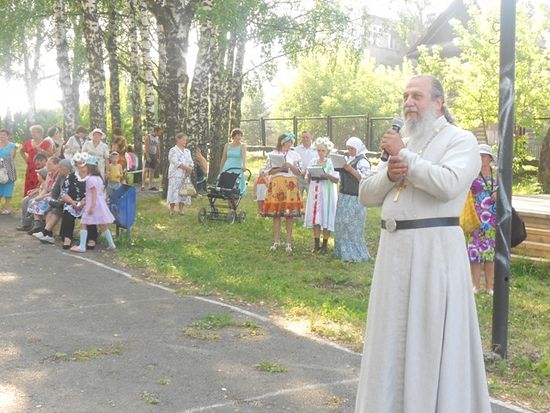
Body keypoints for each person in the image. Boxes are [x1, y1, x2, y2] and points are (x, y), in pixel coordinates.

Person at [355, 75, 491, 413]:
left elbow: (448, 183)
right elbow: (365, 195)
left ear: (439, 102)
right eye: (405, 96)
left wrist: (407, 160)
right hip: (393, 251)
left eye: (417, 95)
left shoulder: (461, 141)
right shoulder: (403, 143)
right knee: (389, 339)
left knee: (428, 340)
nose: (409, 102)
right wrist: (389, 172)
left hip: (434, 253)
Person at [262, 132, 303, 252]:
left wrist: (290, 165)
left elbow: (300, 172)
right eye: (288, 142)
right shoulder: (273, 154)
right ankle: (276, 241)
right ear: (282, 142)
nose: (289, 144)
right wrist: (280, 168)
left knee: (289, 215)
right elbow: (268, 171)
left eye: (291, 142)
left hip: (290, 185)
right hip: (277, 184)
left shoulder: (295, 154)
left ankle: (288, 242)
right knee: (276, 215)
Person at [333, 137, 371, 262]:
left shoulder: (362, 161)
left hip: (355, 198)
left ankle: (354, 254)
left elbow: (364, 180)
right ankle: (342, 252)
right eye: (348, 148)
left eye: (352, 148)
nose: (349, 151)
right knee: (342, 225)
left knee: (352, 227)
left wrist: (350, 169)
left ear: (358, 148)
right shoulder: (350, 159)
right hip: (344, 196)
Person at [467, 143, 497, 295]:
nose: (480, 158)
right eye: (478, 155)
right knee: (475, 254)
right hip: (475, 219)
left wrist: (499, 196)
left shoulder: (497, 175)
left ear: (490, 158)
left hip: (492, 221)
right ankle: (476, 285)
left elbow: (506, 196)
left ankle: (490, 286)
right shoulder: (471, 174)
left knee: (490, 254)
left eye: (483, 156)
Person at [70, 156, 116, 252]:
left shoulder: (90, 179)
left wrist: (91, 206)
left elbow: (94, 194)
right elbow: (98, 192)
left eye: (86, 166)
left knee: (83, 223)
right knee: (103, 225)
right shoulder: (99, 178)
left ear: (89, 167)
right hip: (100, 204)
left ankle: (82, 246)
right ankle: (112, 245)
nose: (84, 168)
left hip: (93, 205)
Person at [303, 137, 339, 254]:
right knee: (316, 217)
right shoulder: (313, 161)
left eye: (323, 151)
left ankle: (325, 244)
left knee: (326, 215)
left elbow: (336, 179)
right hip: (315, 192)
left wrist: (327, 175)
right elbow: (308, 179)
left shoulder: (331, 162)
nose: (320, 153)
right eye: (318, 150)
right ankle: (316, 243)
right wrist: (309, 175)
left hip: (327, 193)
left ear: (327, 151)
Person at [59, 152, 98, 250]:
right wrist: (72, 202)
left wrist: (83, 202)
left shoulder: (92, 177)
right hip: (72, 202)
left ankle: (91, 238)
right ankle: (67, 238)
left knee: (89, 212)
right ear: (75, 165)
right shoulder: (71, 176)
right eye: (78, 163)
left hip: (87, 202)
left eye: (83, 163)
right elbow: (63, 192)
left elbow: (95, 193)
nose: (81, 166)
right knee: (68, 212)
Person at [32, 159, 74, 244]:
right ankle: (48, 234)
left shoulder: (73, 177)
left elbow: (73, 193)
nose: (59, 170)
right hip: (62, 199)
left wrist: (61, 200)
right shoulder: (61, 175)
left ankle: (46, 233)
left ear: (66, 169)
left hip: (72, 200)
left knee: (57, 208)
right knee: (51, 206)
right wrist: (54, 199)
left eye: (60, 168)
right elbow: (55, 190)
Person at [26, 156, 61, 235]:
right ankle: (37, 224)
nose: (47, 166)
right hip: (48, 193)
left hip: (55, 195)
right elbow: (46, 188)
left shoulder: (59, 175)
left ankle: (42, 228)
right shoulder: (49, 173)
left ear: (57, 165)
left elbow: (55, 191)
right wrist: (39, 197)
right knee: (34, 200)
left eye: (49, 164)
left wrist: (42, 197)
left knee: (43, 202)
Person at [15, 154, 48, 231]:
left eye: (38, 164)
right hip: (41, 190)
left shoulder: (47, 170)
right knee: (25, 200)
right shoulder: (40, 170)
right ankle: (26, 224)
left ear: (44, 161)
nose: (37, 166)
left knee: (31, 201)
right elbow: (40, 185)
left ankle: (34, 224)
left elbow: (46, 186)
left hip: (45, 193)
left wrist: (37, 192)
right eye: (36, 164)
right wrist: (34, 190)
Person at [20, 125, 55, 196]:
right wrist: (26, 160)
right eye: (32, 132)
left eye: (35, 132)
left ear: (40, 133)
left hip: (42, 168)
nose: (33, 134)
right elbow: (21, 151)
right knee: (29, 184)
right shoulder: (28, 142)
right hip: (30, 168)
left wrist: (41, 150)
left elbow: (50, 154)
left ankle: (38, 200)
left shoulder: (46, 142)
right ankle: (28, 201)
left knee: (40, 184)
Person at [166, 132, 194, 215]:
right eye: (183, 140)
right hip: (175, 175)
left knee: (184, 192)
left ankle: (181, 209)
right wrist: (187, 168)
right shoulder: (173, 150)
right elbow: (176, 162)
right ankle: (172, 209)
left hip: (185, 175)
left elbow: (191, 162)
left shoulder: (187, 151)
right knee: (173, 191)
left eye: (186, 140)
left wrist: (190, 169)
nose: (185, 141)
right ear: (178, 140)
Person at [219, 128, 247, 195]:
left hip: (237, 167)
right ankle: (229, 201)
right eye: (238, 135)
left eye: (240, 135)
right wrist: (221, 169)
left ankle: (235, 200)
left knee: (236, 186)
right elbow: (224, 157)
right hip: (228, 166)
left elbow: (244, 157)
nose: (239, 137)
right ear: (233, 136)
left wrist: (244, 165)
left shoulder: (242, 146)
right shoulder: (227, 145)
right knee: (227, 186)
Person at [0, 129, 17, 214]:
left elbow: (11, 158)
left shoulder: (12, 146)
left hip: (8, 170)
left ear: (8, 136)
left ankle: (6, 207)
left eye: (3, 134)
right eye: (0, 134)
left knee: (8, 188)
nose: (1, 136)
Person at [294, 130, 316, 195]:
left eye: (307, 137)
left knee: (311, 200)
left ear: (311, 137)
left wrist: (307, 173)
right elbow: (295, 163)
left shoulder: (316, 149)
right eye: (303, 137)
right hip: (299, 178)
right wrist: (301, 172)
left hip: (311, 178)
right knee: (297, 199)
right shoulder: (297, 149)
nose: (305, 139)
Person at [143, 126, 161, 191]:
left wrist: (158, 157)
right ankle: (143, 185)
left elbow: (158, 147)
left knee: (152, 170)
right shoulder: (148, 137)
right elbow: (146, 147)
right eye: (159, 132)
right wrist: (147, 156)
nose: (160, 133)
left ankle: (150, 185)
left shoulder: (157, 138)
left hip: (154, 154)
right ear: (156, 131)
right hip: (148, 154)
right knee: (145, 169)